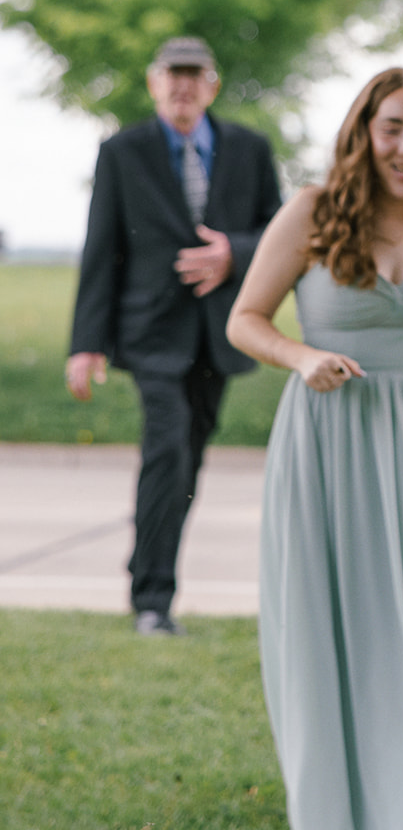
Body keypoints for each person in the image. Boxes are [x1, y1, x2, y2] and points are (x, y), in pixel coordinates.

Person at [226, 68, 403, 830]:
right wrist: (301, 357)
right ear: (364, 134)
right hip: (328, 438)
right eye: (393, 129)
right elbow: (246, 318)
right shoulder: (313, 211)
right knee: (336, 630)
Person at [66, 35, 281, 637]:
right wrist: (85, 344)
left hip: (220, 333)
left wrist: (233, 253)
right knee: (168, 450)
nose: (183, 85)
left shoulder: (250, 148)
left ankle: (147, 564)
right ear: (153, 82)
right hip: (150, 333)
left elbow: (279, 229)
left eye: (194, 74)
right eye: (172, 74)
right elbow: (101, 247)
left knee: (188, 458)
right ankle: (153, 600)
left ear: (212, 85)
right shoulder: (121, 151)